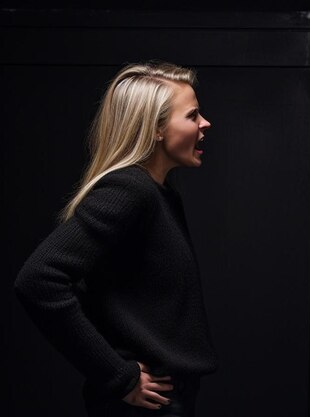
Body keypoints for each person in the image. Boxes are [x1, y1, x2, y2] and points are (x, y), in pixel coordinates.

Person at [14, 61, 217, 417]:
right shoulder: (130, 190)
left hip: (171, 398)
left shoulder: (160, 194)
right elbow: (38, 280)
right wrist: (117, 375)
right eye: (192, 115)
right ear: (155, 129)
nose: (205, 124)